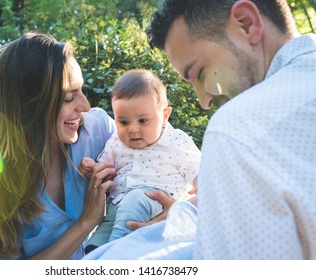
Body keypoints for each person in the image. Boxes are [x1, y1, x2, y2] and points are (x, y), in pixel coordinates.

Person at [85, 0, 316, 259]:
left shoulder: (236, 126)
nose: (204, 101)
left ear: (246, 23)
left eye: (200, 73)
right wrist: (186, 210)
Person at [0, 32, 117, 260]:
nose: (85, 106)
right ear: (28, 107)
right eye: (68, 98)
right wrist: (86, 223)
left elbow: (157, 164)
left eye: (81, 91)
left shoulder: (99, 131)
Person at [79, 69, 200, 253]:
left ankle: (118, 255)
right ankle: (94, 256)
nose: (133, 129)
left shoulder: (176, 141)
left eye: (143, 121)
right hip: (117, 204)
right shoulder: (116, 142)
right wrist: (92, 168)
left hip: (155, 202)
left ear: (165, 116)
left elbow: (199, 170)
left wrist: (199, 191)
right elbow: (105, 168)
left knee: (135, 200)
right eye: (124, 122)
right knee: (102, 233)